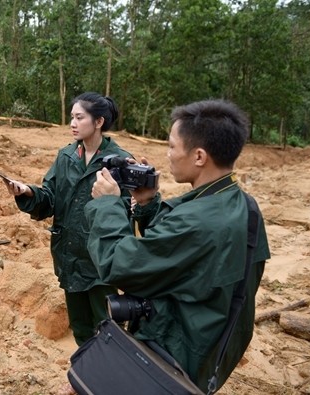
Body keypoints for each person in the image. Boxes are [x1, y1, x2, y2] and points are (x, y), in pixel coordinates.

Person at [84, 99, 271, 392]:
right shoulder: (244, 206)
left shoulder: (198, 222)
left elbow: (117, 264)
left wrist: (107, 204)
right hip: (211, 350)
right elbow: (184, 255)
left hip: (173, 355)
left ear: (199, 156)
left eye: (172, 146)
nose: (168, 155)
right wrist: (147, 203)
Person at [2, 92, 133, 347]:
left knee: (108, 329)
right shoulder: (66, 156)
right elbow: (51, 198)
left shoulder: (120, 161)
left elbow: (132, 208)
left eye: (79, 117)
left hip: (101, 260)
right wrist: (28, 191)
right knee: (81, 328)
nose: (72, 123)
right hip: (70, 256)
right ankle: (84, 377)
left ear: (99, 122)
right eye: (72, 117)